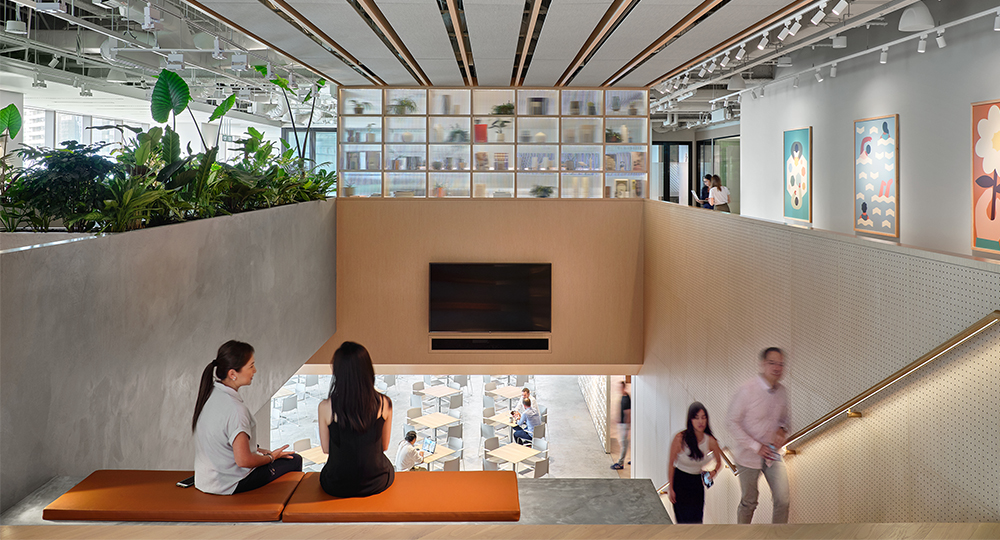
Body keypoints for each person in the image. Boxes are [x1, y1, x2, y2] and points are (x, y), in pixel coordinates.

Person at [192, 340, 302, 495]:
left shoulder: (211, 395)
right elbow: (244, 461)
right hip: (229, 484)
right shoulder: (236, 410)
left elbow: (226, 442)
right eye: (251, 366)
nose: (255, 370)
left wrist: (262, 452)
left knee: (280, 457)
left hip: (205, 481)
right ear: (232, 374)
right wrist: (271, 457)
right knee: (294, 460)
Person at [319, 341, 394, 497]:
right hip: (377, 481)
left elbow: (326, 449)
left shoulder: (326, 407)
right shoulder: (384, 403)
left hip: (336, 484)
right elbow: (384, 446)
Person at [727, 347, 791, 523]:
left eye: (781, 364)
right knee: (749, 502)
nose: (777, 368)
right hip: (748, 455)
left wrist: (782, 430)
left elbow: (785, 420)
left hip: (772, 454)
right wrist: (756, 447)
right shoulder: (747, 390)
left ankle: (778, 536)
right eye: (772, 363)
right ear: (763, 364)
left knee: (783, 500)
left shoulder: (782, 392)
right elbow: (731, 422)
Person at [667, 402, 723, 523]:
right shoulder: (680, 438)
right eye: (696, 418)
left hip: (696, 483)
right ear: (690, 420)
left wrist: (713, 472)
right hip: (680, 481)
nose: (700, 421)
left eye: (703, 417)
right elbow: (671, 463)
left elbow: (719, 462)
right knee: (683, 522)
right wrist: (670, 488)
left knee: (697, 521)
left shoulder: (710, 441)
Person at [611, 381, 630, 470]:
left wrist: (626, 425)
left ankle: (621, 463)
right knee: (625, 442)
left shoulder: (626, 399)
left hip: (624, 425)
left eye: (620, 387)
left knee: (623, 443)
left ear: (623, 387)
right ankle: (634, 459)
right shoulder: (623, 396)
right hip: (622, 423)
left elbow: (628, 412)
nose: (619, 389)